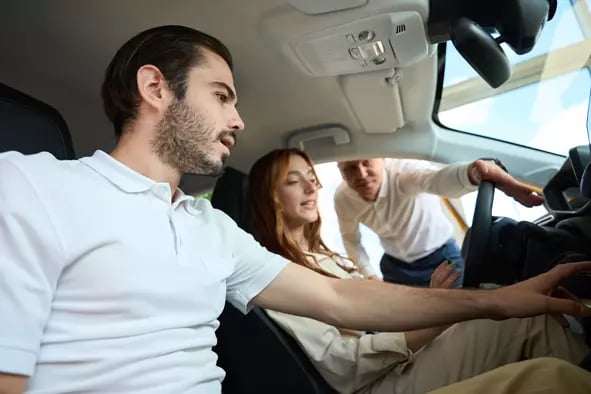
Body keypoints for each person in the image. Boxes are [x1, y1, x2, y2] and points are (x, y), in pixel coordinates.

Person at [0, 25, 590, 394]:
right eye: (222, 96)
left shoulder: (212, 229)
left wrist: (499, 301)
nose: (239, 120)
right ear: (156, 88)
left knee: (554, 379)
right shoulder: (29, 183)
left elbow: (340, 297)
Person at [248, 148, 589, 393]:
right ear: (270, 196)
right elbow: (344, 366)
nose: (312, 188)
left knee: (505, 304)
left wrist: (476, 172)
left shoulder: (321, 257)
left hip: (429, 267)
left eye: (312, 179)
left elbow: (436, 179)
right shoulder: (280, 276)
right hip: (376, 380)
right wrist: (441, 315)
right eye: (295, 182)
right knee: (522, 321)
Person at [334, 158, 544, 285]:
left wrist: (474, 172)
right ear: (340, 170)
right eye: (350, 168)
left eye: (366, 163)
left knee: (465, 315)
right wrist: (369, 274)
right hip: (395, 268)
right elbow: (351, 239)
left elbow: (437, 179)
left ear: (382, 159)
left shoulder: (404, 171)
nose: (361, 174)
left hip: (442, 258)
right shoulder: (342, 198)